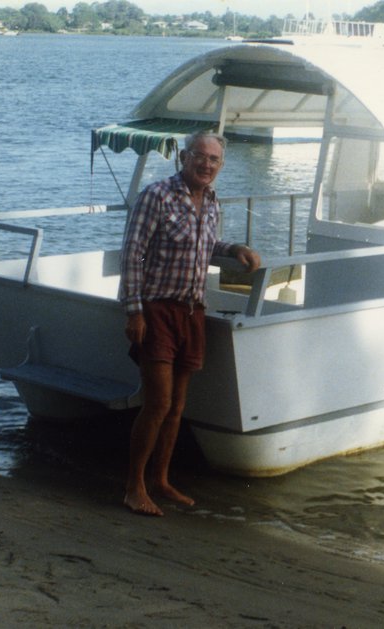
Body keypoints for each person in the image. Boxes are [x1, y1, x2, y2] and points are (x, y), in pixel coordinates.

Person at [118, 131, 260, 516]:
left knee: (178, 406)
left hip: (192, 312)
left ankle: (161, 480)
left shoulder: (212, 203)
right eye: (200, 156)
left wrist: (235, 249)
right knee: (158, 402)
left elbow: (206, 245)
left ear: (220, 166)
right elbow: (132, 255)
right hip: (157, 311)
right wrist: (134, 311)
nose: (206, 165)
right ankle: (134, 487)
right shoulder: (157, 196)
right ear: (184, 157)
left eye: (214, 160)